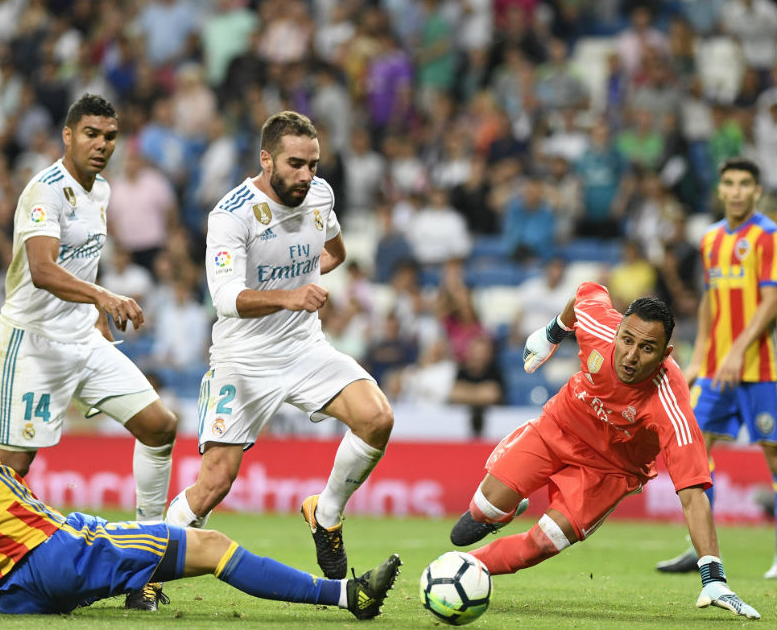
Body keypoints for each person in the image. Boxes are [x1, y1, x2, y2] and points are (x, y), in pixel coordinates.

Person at [0, 347, 401, 617]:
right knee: (209, 545)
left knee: (106, 537)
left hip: (8, 596)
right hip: (51, 556)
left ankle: (137, 585)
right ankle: (347, 595)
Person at [0, 94, 178, 612]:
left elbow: (84, 269)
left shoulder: (100, 191)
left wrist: (97, 314)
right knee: (13, 466)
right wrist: (104, 296)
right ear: (68, 135)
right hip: (31, 343)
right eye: (92, 134)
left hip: (84, 338)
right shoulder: (44, 191)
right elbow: (43, 269)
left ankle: (146, 567)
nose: (102, 144)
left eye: (110, 135)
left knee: (160, 425)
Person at [163, 111, 395, 582]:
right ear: (266, 159)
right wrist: (292, 295)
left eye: (313, 163)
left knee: (377, 419)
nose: (307, 175)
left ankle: (326, 515)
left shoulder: (321, 195)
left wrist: (305, 279)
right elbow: (225, 298)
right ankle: (147, 570)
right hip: (243, 359)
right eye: (295, 164)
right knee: (213, 484)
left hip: (305, 348)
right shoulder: (231, 214)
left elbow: (335, 252)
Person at [448, 282, 760, 620]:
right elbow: (586, 293)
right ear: (618, 331)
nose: (631, 355)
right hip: (560, 428)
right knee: (480, 512)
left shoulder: (670, 403)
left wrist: (713, 576)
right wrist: (552, 333)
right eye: (627, 340)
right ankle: (504, 508)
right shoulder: (599, 325)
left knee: (544, 540)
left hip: (609, 472)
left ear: (665, 354)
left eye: (647, 348)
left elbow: (692, 493)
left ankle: (462, 571)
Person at [655, 157, 777, 579]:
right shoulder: (709, 239)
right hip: (716, 368)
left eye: (746, 183)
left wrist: (738, 350)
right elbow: (710, 301)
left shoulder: (768, 236)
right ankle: (699, 548)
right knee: (695, 447)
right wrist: (700, 357)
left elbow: (771, 301)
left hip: (762, 367)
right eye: (730, 183)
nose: (738, 190)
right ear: (721, 190)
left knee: (774, 456)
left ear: (757, 191)